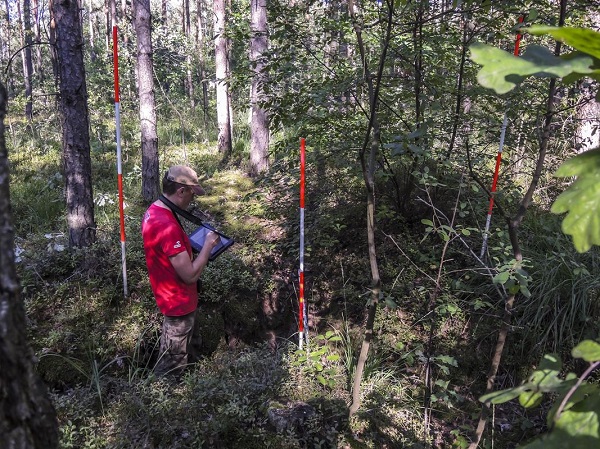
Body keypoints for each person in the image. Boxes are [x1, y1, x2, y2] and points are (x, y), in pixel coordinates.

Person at [142, 165, 220, 377]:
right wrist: (208, 246)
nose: (192, 198)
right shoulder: (167, 225)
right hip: (178, 305)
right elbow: (190, 275)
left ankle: (192, 389)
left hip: (177, 299)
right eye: (192, 193)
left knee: (191, 350)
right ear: (181, 191)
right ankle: (163, 403)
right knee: (170, 366)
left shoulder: (154, 210)